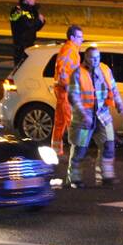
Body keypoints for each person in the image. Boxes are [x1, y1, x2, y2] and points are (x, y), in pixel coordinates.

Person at [66, 45, 123, 188]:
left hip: (103, 116)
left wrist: (121, 106)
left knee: (109, 145)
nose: (95, 61)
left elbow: (114, 90)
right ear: (86, 58)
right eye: (91, 58)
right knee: (80, 149)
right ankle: (74, 179)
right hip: (84, 120)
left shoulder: (105, 70)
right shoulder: (77, 74)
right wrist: (84, 114)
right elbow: (74, 97)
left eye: (97, 58)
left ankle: (106, 177)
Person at [51, 25, 84, 158]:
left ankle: (55, 149)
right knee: (72, 120)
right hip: (66, 91)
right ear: (72, 37)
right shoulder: (70, 50)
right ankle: (77, 150)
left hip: (62, 90)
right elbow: (63, 71)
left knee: (60, 121)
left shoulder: (70, 49)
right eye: (79, 37)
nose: (82, 39)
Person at [9, 0, 45, 66]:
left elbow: (36, 27)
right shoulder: (17, 11)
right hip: (21, 47)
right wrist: (39, 21)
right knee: (20, 70)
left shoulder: (31, 10)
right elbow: (28, 25)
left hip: (30, 45)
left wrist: (41, 22)